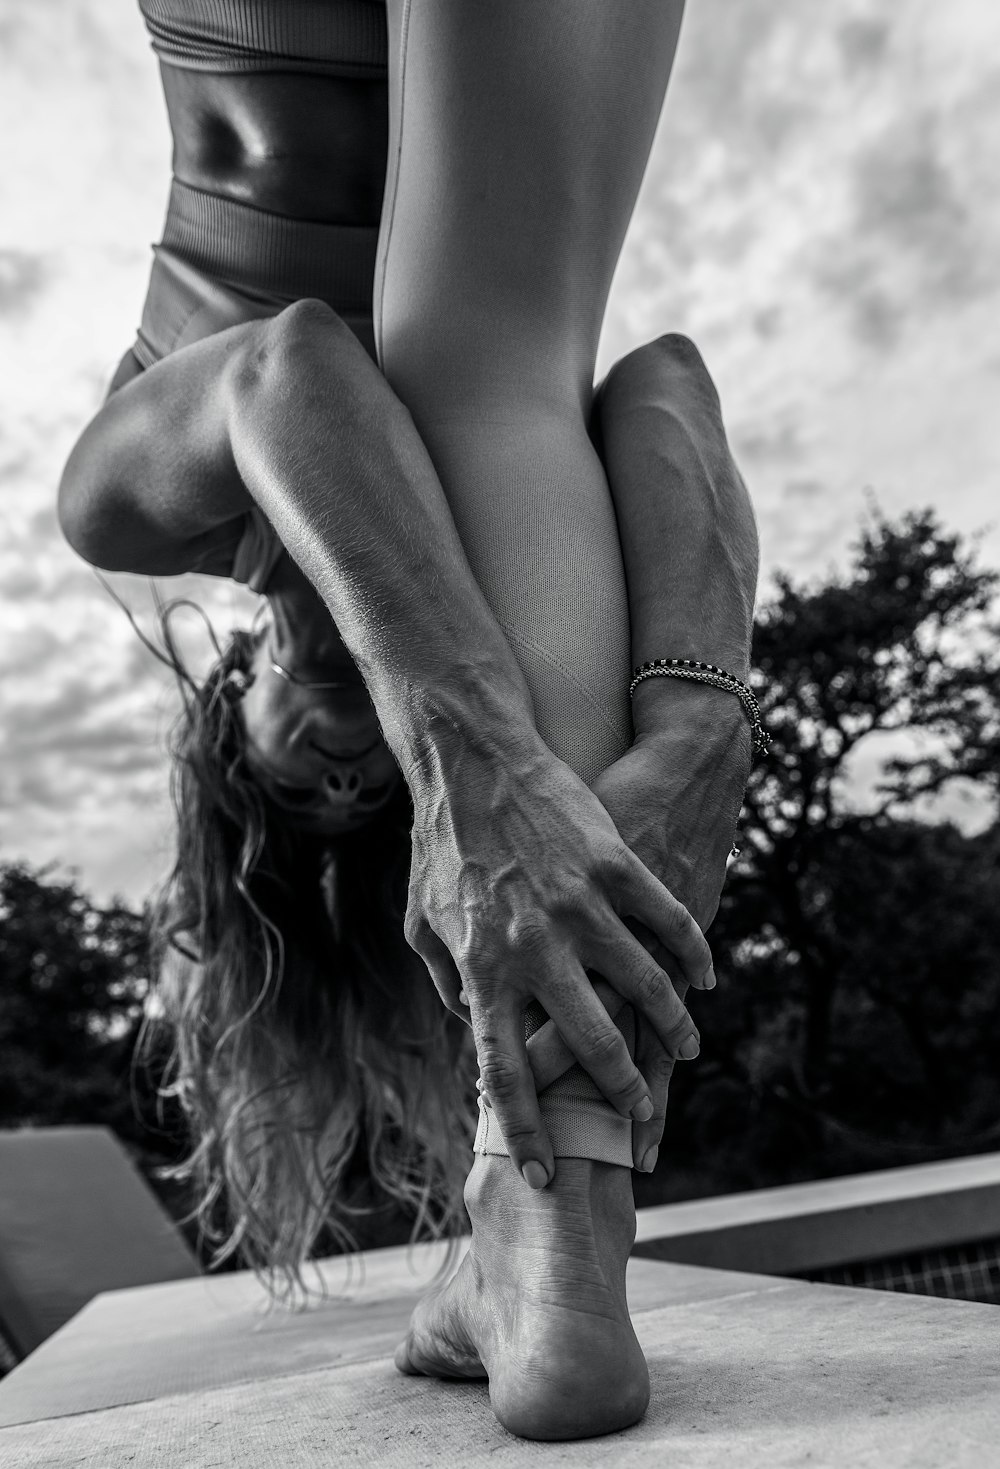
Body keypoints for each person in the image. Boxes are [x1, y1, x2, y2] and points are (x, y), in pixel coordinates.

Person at [58, 0, 759, 1438]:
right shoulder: (486, 555)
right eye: (365, 789)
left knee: (470, 368)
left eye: (285, 776)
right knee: (493, 382)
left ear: (213, 730)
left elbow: (289, 366)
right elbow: (669, 393)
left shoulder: (131, 505)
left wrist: (472, 752)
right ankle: (557, 1241)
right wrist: (700, 719)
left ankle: (548, 1240)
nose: (339, 752)